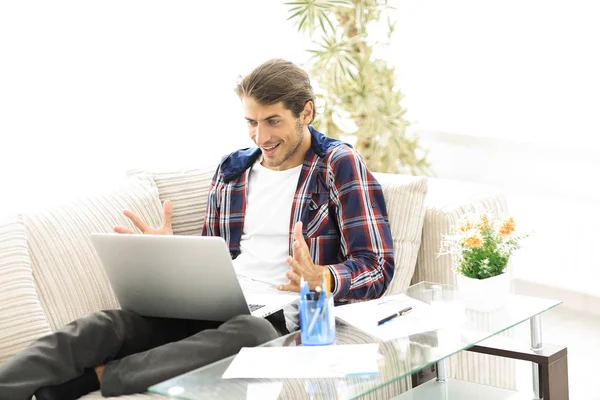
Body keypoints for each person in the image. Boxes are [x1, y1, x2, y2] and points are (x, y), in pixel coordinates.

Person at [0, 58, 394, 400]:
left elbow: (377, 265)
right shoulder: (233, 169)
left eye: (273, 121)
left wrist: (321, 276)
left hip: (270, 318)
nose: (261, 137)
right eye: (252, 122)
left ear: (306, 113)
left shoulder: (337, 164)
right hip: (213, 305)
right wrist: (172, 256)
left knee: (251, 335)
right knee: (103, 325)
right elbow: (213, 258)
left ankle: (99, 377)